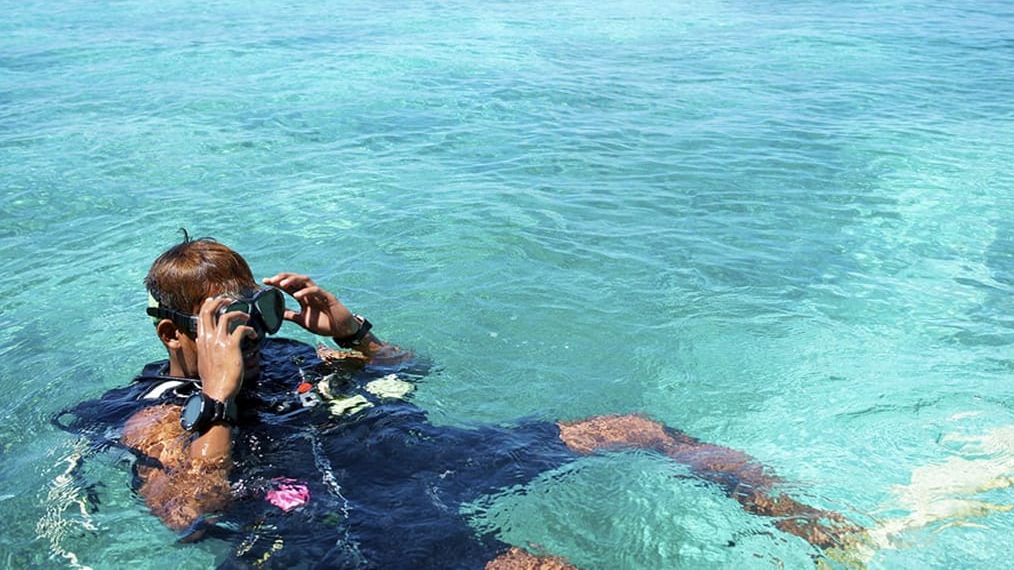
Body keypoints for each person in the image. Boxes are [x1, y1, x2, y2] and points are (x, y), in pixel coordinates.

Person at [54, 234, 861, 568]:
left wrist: (355, 334)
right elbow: (194, 507)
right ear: (173, 334)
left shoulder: (287, 358)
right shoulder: (150, 412)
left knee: (641, 426)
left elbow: (412, 374)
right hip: (344, 523)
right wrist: (220, 399)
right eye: (224, 322)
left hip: (422, 459)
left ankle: (813, 524)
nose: (252, 336)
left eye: (253, 312)